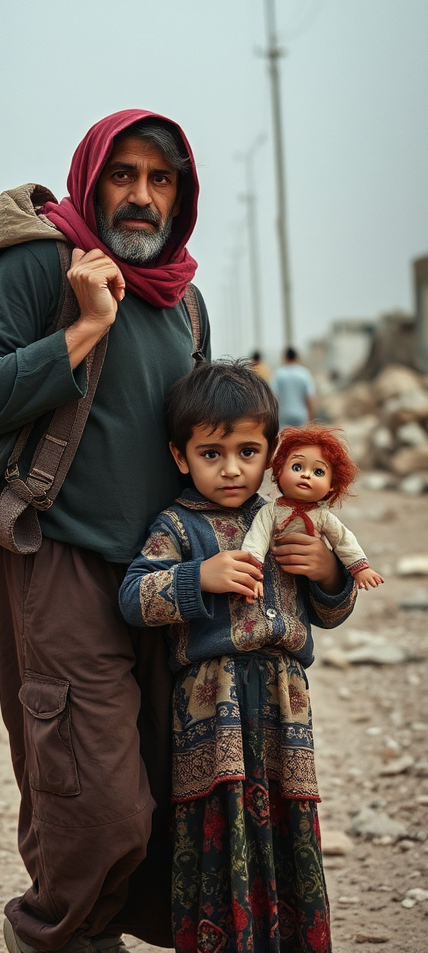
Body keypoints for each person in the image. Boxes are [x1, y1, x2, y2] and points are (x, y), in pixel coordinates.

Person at [0, 110, 210, 953]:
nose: (140, 196)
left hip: (163, 582)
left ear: (181, 196)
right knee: (94, 804)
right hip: (61, 564)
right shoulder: (39, 267)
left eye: (160, 180)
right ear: (92, 178)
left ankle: (93, 932)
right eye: (123, 175)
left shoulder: (186, 301)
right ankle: (48, 936)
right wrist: (83, 329)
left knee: (165, 795)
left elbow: (196, 445)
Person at [119, 360, 357, 953]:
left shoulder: (290, 523)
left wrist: (330, 573)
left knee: (286, 820)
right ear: (181, 457)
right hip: (212, 708)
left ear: (273, 452)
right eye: (211, 453)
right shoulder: (177, 526)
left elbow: (328, 613)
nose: (232, 469)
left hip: (284, 706)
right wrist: (199, 576)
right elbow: (132, 596)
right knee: (216, 829)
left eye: (249, 451)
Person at [242, 425, 385, 593]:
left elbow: (343, 540)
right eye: (297, 467)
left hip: (307, 584)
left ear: (331, 485)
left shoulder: (322, 517)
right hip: (270, 578)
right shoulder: (271, 511)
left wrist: (360, 568)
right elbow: (256, 539)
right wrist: (251, 572)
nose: (306, 475)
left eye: (318, 472)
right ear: (279, 470)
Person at [272, 346, 315, 426]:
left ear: (285, 357)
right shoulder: (304, 373)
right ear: (296, 357)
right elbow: (309, 397)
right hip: (300, 415)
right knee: (300, 438)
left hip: (284, 415)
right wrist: (311, 418)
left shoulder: (279, 373)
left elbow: (274, 396)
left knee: (285, 437)